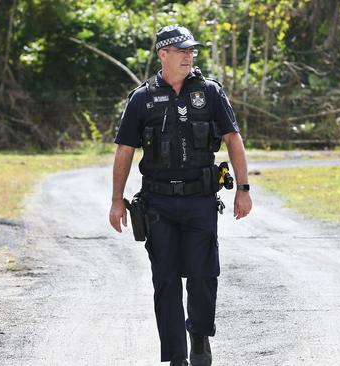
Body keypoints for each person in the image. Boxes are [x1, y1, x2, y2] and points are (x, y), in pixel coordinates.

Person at [109, 24, 252, 366]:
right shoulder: (142, 98)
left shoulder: (211, 93)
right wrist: (117, 199)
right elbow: (124, 150)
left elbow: (234, 140)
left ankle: (199, 340)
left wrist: (243, 190)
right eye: (181, 50)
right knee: (166, 281)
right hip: (158, 203)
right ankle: (176, 356)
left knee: (203, 276)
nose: (189, 56)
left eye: (191, 51)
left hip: (200, 200)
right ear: (163, 54)